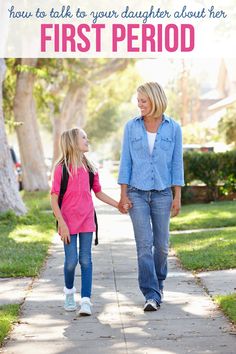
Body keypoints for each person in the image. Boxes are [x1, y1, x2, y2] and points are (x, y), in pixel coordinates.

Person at [118, 82, 184, 311]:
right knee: (144, 245)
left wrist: (177, 196)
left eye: (143, 101)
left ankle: (158, 284)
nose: (140, 105)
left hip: (163, 194)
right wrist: (123, 195)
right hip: (136, 193)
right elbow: (125, 161)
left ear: (155, 100)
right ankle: (151, 294)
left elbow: (177, 163)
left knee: (162, 246)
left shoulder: (173, 128)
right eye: (138, 101)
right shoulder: (131, 127)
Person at [51, 128, 119, 315]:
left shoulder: (90, 168)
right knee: (71, 261)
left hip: (87, 220)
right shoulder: (61, 169)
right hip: (67, 223)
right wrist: (61, 223)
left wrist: (118, 204)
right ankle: (69, 293)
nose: (87, 140)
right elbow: (53, 199)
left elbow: (98, 192)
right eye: (83, 137)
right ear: (73, 142)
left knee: (86, 260)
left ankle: (86, 301)